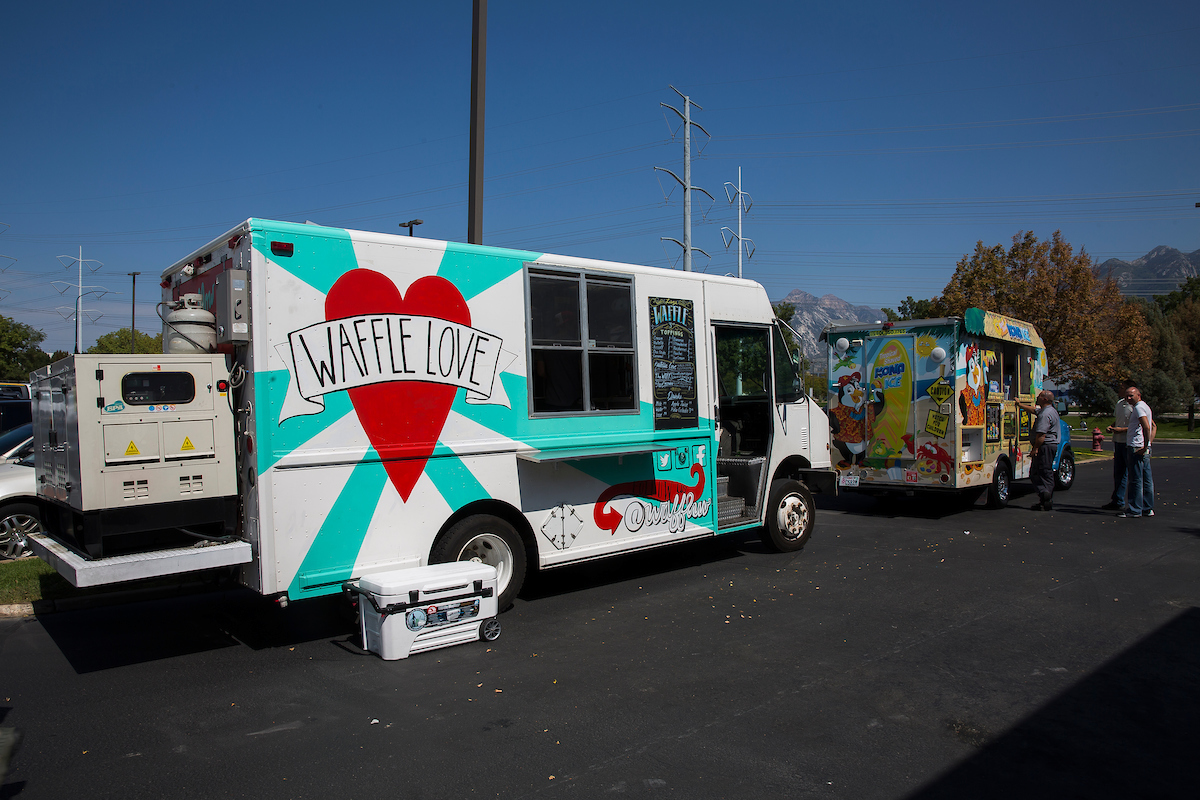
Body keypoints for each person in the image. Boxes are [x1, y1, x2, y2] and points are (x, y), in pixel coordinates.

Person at [1018, 389, 1060, 511]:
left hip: (1045, 446)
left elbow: (1041, 435)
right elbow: (1034, 410)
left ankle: (1045, 494)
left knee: (1040, 472)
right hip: (1049, 446)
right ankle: (1045, 499)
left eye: (1040, 396)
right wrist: (1020, 405)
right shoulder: (1048, 411)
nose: (1037, 397)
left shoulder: (1045, 414)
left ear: (1045, 399)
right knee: (1043, 472)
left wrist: (1035, 449)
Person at [1119, 386, 1154, 518]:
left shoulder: (1139, 408)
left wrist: (1145, 446)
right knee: (1146, 479)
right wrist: (1149, 444)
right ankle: (1147, 507)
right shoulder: (1144, 406)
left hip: (1136, 447)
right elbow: (1152, 426)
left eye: (1131, 396)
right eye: (1126, 396)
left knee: (1135, 479)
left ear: (1138, 395)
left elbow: (1146, 426)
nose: (1128, 398)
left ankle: (1135, 509)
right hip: (1141, 446)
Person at [1101, 379, 1134, 510]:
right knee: (1119, 473)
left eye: (1122, 388)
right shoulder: (1120, 404)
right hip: (1118, 442)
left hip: (1129, 442)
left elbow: (1137, 425)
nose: (1119, 390)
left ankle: (1134, 503)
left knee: (1132, 474)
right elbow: (1119, 420)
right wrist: (1113, 426)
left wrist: (1122, 430)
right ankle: (1117, 500)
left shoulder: (1134, 406)